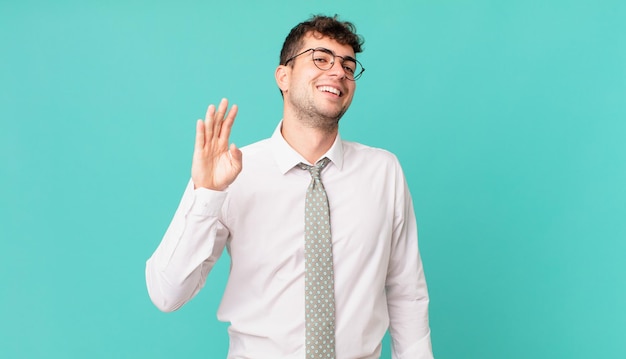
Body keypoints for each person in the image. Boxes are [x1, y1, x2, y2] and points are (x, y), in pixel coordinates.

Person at [146, 15, 433, 359]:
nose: (338, 72)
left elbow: (406, 294)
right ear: (284, 76)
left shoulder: (384, 172)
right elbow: (167, 293)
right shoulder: (233, 171)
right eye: (321, 58)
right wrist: (206, 194)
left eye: (347, 64)